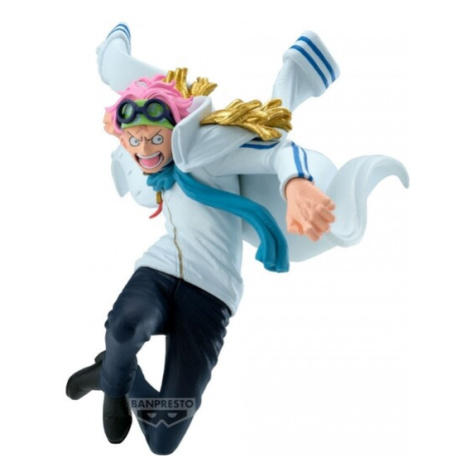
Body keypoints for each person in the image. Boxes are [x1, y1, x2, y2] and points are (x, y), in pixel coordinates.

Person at [66, 24, 408, 455]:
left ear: (177, 127)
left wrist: (296, 184)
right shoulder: (145, 170)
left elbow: (278, 149)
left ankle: (115, 372)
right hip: (160, 271)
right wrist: (115, 67)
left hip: (212, 293)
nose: (146, 150)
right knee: (123, 326)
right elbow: (123, 86)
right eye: (135, 140)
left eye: (155, 139)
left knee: (163, 438)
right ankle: (114, 382)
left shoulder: (208, 149)